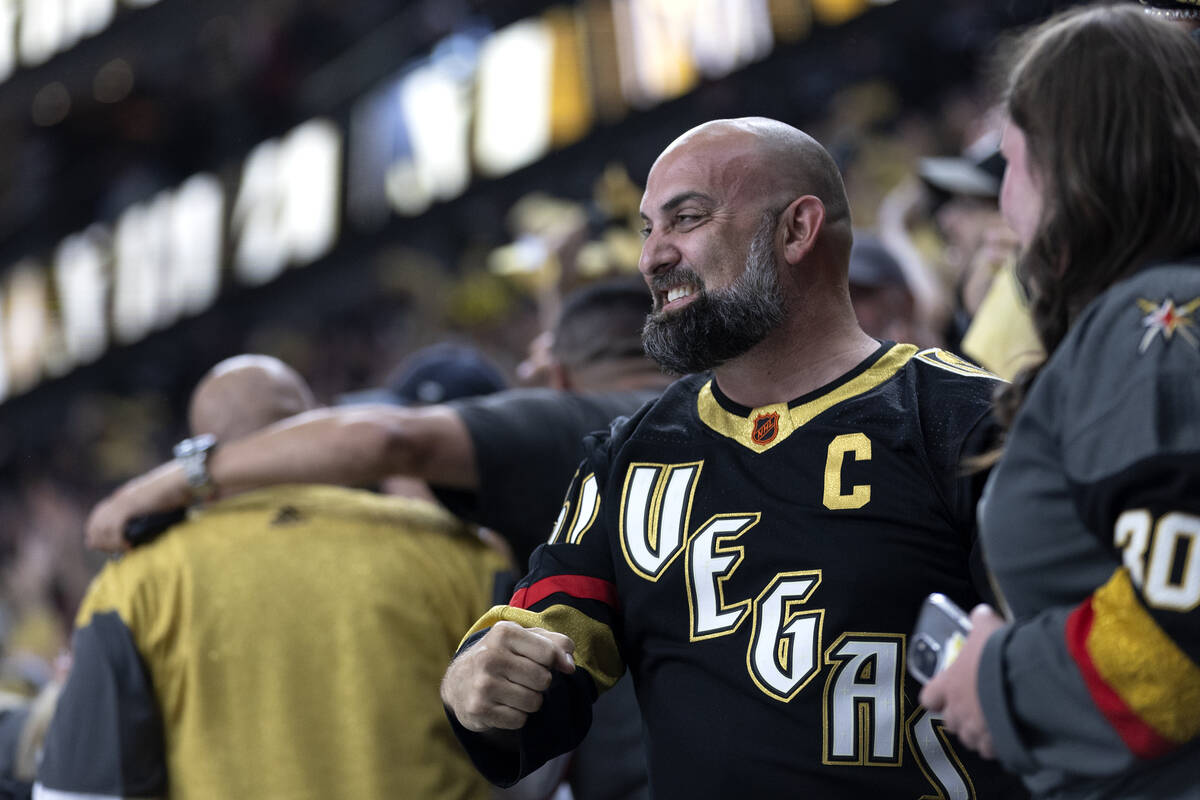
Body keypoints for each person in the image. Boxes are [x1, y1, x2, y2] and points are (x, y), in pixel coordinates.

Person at [439, 117, 1026, 798]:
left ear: (796, 230)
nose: (652, 257)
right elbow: (541, 648)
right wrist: (480, 675)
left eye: (686, 218)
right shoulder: (633, 455)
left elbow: (1079, 663)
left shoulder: (968, 419)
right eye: (646, 228)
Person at [82, 280, 669, 800]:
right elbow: (532, 774)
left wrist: (181, 476)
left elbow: (81, 783)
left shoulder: (135, 579)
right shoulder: (468, 555)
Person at [919, 6, 1200, 799]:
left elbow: (1186, 613)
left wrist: (998, 681)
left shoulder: (1157, 322)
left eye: (1008, 161)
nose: (1001, 204)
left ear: (1072, 164)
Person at [35, 355, 513, 799]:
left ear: (200, 448)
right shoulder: (460, 548)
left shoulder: (134, 585)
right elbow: (539, 760)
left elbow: (76, 793)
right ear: (315, 425)